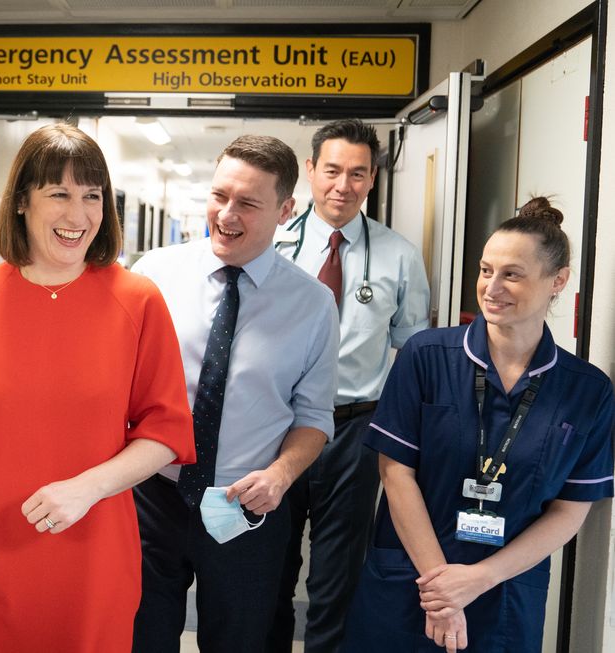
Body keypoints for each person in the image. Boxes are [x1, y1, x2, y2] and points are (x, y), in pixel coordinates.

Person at [0, 122, 195, 652]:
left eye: (92, 196)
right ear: (22, 201)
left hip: (95, 558)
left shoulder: (138, 300)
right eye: (60, 194)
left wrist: (88, 487)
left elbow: (166, 432)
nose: (79, 215)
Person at [341, 197, 614, 652]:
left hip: (504, 589)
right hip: (412, 578)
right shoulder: (427, 357)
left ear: (558, 281)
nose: (492, 287)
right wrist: (443, 592)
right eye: (486, 270)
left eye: (512, 274)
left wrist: (478, 579)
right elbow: (396, 472)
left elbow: (571, 509)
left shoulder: (587, 390)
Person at [130, 135, 340, 653]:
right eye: (219, 195)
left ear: (286, 209)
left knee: (239, 641)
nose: (226, 214)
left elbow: (314, 416)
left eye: (247, 203)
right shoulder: (154, 275)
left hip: (244, 506)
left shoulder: (313, 305)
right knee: (139, 637)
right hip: (152, 494)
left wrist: (281, 474)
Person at [271, 118, 430, 652]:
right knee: (269, 564)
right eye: (332, 170)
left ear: (372, 178)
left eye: (357, 174)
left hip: (356, 431)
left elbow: (414, 352)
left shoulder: (399, 255)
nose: (343, 185)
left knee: (337, 577)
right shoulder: (270, 244)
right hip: (277, 426)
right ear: (311, 171)